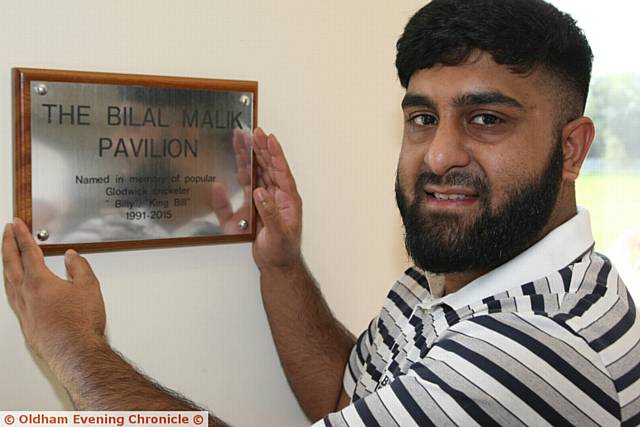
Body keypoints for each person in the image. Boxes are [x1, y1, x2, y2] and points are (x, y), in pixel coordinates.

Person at [3, 0, 639, 425]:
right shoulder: (457, 267)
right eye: (422, 118)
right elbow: (345, 397)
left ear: (572, 147)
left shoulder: (539, 346)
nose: (440, 154)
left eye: (487, 119)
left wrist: (73, 348)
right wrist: (282, 265)